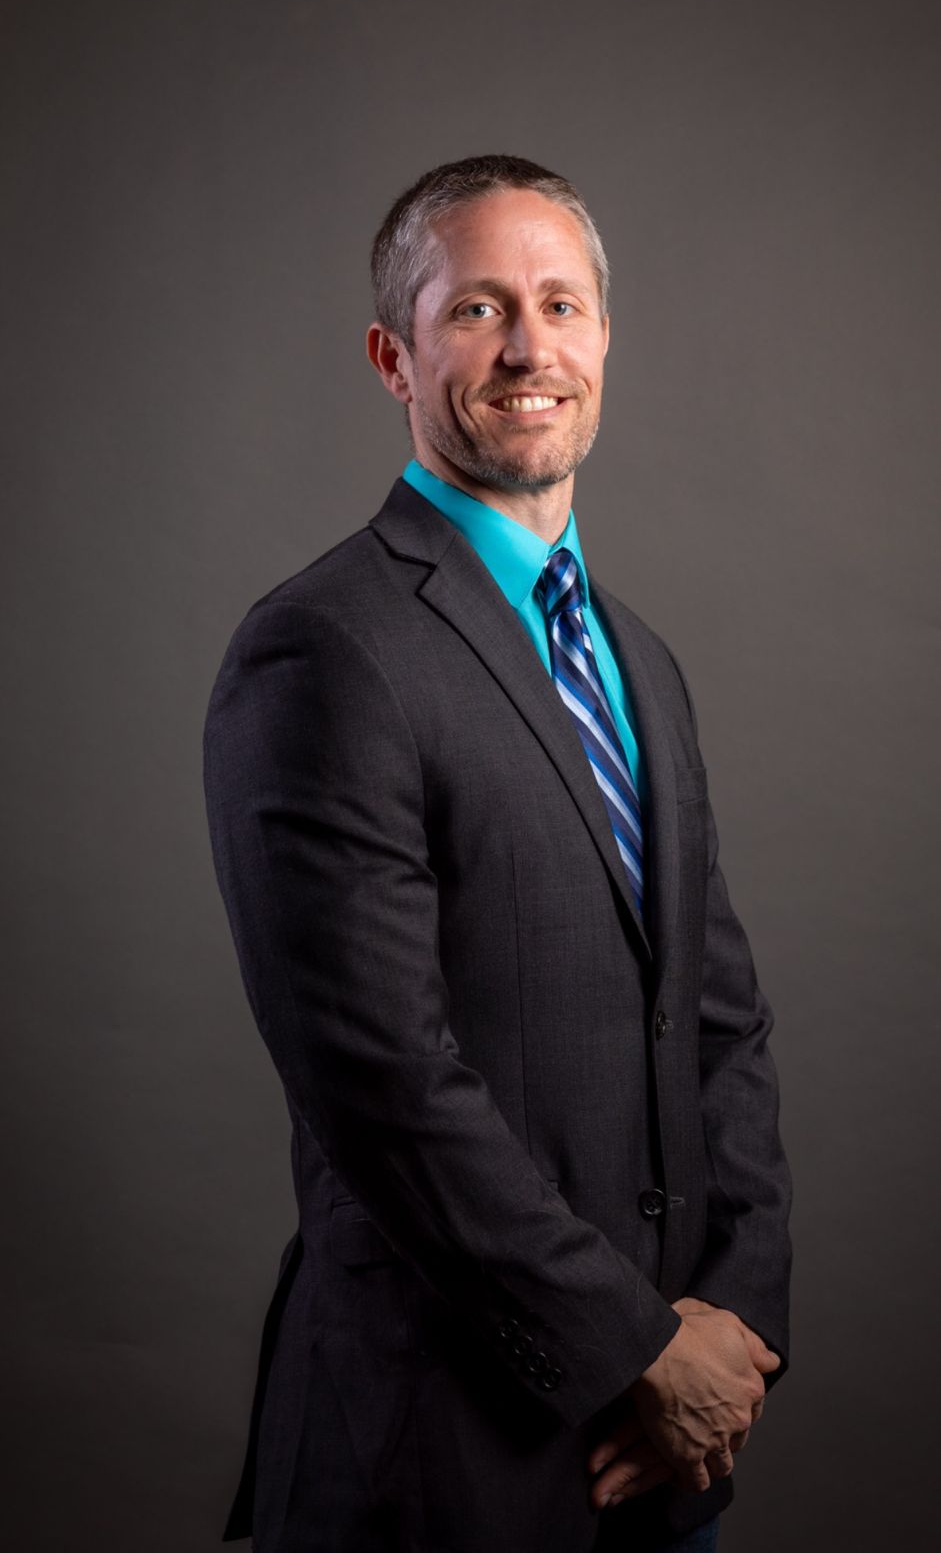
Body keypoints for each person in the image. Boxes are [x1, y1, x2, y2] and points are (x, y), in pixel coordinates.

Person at [203, 153, 792, 1553]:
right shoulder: (324, 649)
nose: (530, 348)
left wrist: (736, 1326)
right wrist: (634, 1351)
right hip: (439, 1458)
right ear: (392, 357)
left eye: (560, 304)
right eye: (476, 309)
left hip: (669, 1457)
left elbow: (719, 1021)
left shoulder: (639, 662)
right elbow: (383, 1084)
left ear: (604, 340)